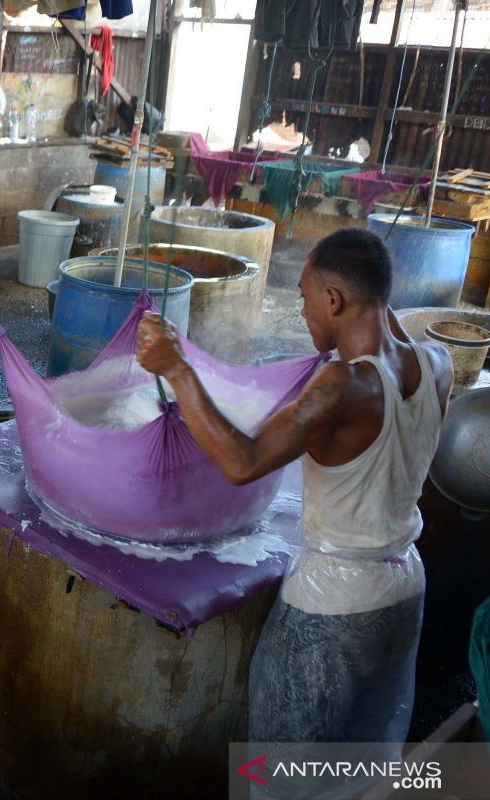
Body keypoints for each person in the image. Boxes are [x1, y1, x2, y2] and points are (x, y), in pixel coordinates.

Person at [136, 228, 453, 749]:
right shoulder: (436, 364)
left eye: (305, 297)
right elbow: (377, 311)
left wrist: (177, 369)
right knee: (359, 752)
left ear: (334, 300)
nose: (302, 311)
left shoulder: (342, 386)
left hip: (336, 600)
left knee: (284, 760)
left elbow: (243, 462)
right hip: (404, 587)